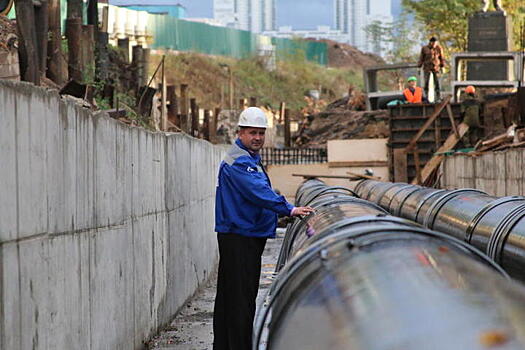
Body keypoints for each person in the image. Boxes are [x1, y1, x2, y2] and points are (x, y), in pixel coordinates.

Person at [213, 107, 314, 350]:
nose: (257, 137)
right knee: (241, 301)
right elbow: (258, 192)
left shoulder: (247, 157)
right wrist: (288, 209)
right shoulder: (241, 162)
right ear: (240, 132)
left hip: (240, 234)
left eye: (261, 133)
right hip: (240, 237)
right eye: (252, 133)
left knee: (230, 297)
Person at [417, 37, 445, 102]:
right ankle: (426, 98)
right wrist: (419, 67)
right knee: (426, 83)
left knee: (437, 83)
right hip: (427, 68)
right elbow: (421, 58)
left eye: (435, 42)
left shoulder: (439, 48)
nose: (434, 44)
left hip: (436, 67)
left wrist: (442, 66)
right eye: (433, 42)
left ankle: (438, 98)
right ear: (430, 42)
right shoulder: (424, 49)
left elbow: (441, 58)